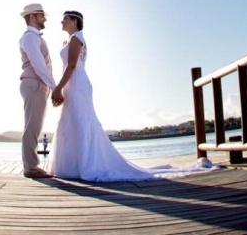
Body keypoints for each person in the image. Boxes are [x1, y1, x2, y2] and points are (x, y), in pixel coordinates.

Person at [47, 10, 215, 182]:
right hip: (72, 84)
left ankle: (85, 165)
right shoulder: (71, 39)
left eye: (65, 19)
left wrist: (58, 88)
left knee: (81, 121)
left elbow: (72, 65)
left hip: (77, 85)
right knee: (70, 122)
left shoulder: (76, 38)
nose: (62, 21)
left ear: (74, 21)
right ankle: (72, 166)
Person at [18, 2, 58, 178]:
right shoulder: (30, 37)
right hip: (34, 83)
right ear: (32, 17)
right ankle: (31, 167)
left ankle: (31, 165)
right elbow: (39, 65)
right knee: (32, 126)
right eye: (42, 15)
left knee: (35, 125)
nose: (45, 18)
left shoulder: (35, 37)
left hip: (37, 84)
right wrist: (54, 87)